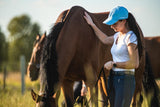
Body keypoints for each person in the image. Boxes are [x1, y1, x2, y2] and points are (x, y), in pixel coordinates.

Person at [82, 6, 143, 107]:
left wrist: (114, 64)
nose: (111, 26)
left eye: (114, 23)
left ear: (123, 21)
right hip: (114, 78)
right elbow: (105, 39)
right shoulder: (117, 36)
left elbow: (134, 63)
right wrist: (92, 24)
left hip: (125, 80)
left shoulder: (131, 37)